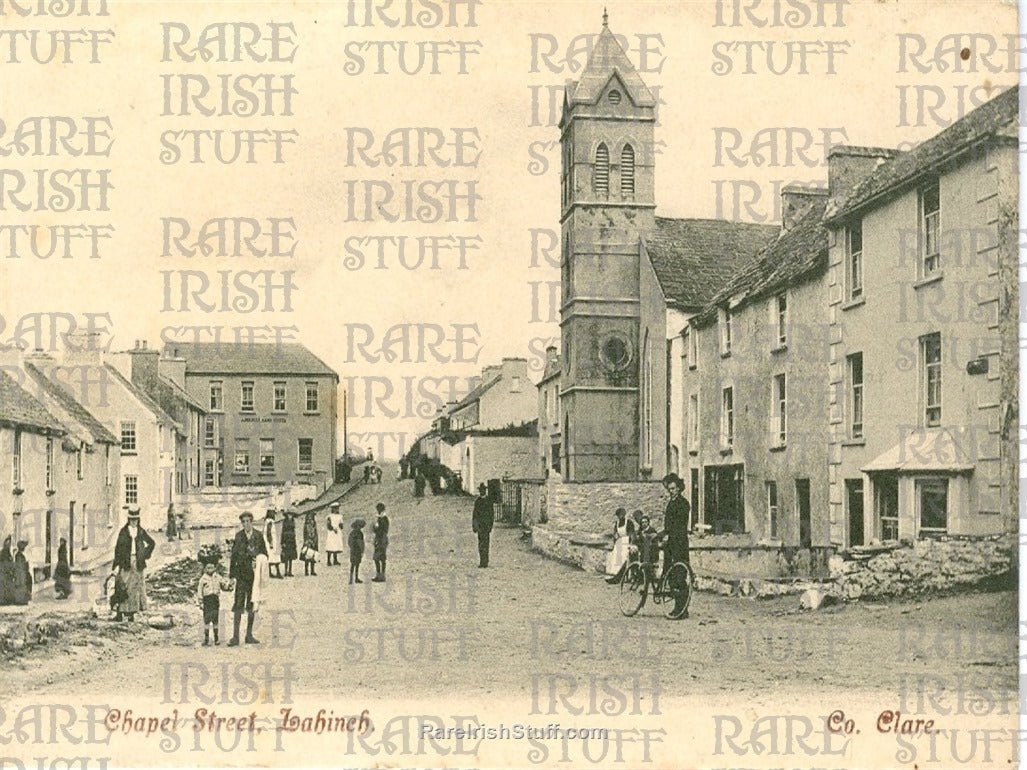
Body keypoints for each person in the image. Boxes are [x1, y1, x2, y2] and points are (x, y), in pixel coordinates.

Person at [228, 511, 266, 646]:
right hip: (241, 576)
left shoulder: (258, 536)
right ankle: (235, 637)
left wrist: (259, 561)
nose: (245, 524)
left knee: (251, 604)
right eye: (243, 522)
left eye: (248, 521)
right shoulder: (239, 537)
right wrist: (232, 576)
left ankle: (249, 635)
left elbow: (264, 554)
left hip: (253, 577)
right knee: (238, 605)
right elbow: (233, 557)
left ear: (252, 521)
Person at [113, 507, 156, 622]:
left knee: (135, 588)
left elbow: (152, 543)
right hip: (125, 562)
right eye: (132, 519)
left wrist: (144, 554)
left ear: (138, 519)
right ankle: (120, 612)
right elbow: (117, 549)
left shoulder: (141, 531)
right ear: (128, 519)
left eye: (136, 519)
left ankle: (132, 613)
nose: (134, 522)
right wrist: (116, 565)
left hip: (138, 562)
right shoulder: (123, 532)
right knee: (123, 586)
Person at [660, 473, 692, 619]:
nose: (671, 491)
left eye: (673, 488)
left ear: (679, 488)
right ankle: (678, 607)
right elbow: (667, 524)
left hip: (679, 543)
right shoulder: (671, 503)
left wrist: (669, 534)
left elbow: (679, 525)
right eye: (669, 489)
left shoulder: (683, 504)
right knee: (670, 575)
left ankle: (681, 609)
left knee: (679, 576)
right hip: (670, 544)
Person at [196, 561, 233, 646]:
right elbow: (199, 591)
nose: (210, 569)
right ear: (205, 569)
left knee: (215, 620)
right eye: (208, 568)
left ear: (215, 568)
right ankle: (206, 639)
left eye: (212, 567)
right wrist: (201, 602)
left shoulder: (218, 577)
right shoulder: (203, 579)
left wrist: (229, 586)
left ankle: (216, 638)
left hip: (215, 600)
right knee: (207, 620)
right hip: (207, 601)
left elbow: (224, 586)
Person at [605, 508, 636, 584]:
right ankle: (612, 575)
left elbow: (632, 534)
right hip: (619, 542)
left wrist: (631, 543)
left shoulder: (628, 522)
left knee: (623, 557)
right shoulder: (617, 523)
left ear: (624, 514)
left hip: (626, 542)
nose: (620, 516)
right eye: (619, 515)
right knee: (614, 557)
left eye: (622, 514)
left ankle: (620, 576)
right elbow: (615, 534)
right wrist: (615, 540)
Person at [471, 484, 494, 568]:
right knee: (480, 544)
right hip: (480, 526)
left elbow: (492, 514)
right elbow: (475, 514)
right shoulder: (478, 501)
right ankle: (481, 561)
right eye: (480, 490)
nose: (481, 492)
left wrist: (490, 526)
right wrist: (474, 525)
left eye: (483, 490)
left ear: (485, 491)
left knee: (486, 544)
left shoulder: (488, 501)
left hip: (486, 526)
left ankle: (486, 561)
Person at [371, 503, 390, 582]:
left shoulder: (384, 518)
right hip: (381, 539)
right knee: (381, 558)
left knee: (378, 558)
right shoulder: (382, 518)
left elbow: (383, 530)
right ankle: (380, 575)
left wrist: (376, 528)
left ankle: (380, 575)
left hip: (381, 539)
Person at [324, 502, 344, 566]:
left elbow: (341, 525)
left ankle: (335, 560)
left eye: (337, 508)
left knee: (336, 545)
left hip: (337, 532)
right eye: (335, 508)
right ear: (333, 509)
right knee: (330, 545)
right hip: (332, 533)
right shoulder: (329, 516)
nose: (337, 509)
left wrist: (341, 525)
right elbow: (328, 525)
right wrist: (333, 529)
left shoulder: (340, 516)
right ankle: (328, 560)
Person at [264, 510, 282, 578]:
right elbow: (269, 533)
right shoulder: (270, 522)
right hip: (271, 543)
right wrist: (271, 543)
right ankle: (278, 572)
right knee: (275, 557)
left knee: (270, 558)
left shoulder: (267, 522)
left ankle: (270, 573)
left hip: (267, 542)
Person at [280, 508, 297, 577]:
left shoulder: (293, 521)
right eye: (289, 515)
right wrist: (282, 542)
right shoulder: (285, 522)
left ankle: (290, 571)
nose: (290, 516)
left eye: (291, 515)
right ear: (287, 515)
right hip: (286, 540)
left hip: (292, 540)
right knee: (286, 556)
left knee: (291, 557)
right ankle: (286, 571)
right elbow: (282, 532)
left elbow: (294, 531)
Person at [12, 540, 31, 605]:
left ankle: (23, 600)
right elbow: (20, 565)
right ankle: (20, 600)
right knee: (21, 585)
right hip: (20, 573)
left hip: (22, 573)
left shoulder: (20, 554)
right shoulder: (19, 555)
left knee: (24, 585)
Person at [301, 510, 319, 576]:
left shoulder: (314, 523)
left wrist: (315, 540)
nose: (310, 518)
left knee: (313, 556)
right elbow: (305, 534)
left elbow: (316, 533)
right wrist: (308, 541)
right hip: (308, 542)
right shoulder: (306, 525)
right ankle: (306, 570)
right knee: (307, 556)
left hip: (314, 541)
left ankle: (312, 570)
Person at [348, 519, 365, 584]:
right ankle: (356, 578)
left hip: (353, 550)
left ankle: (351, 579)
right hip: (357, 551)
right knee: (356, 565)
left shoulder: (352, 533)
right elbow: (361, 543)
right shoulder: (360, 533)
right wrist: (362, 551)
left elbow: (349, 542)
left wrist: (352, 547)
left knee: (353, 565)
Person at [0, 537, 14, 605]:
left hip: (9, 572)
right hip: (4, 572)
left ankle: (8, 600)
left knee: (8, 585)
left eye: (9, 544)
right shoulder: (2, 553)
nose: (8, 545)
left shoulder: (9, 553)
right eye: (7, 544)